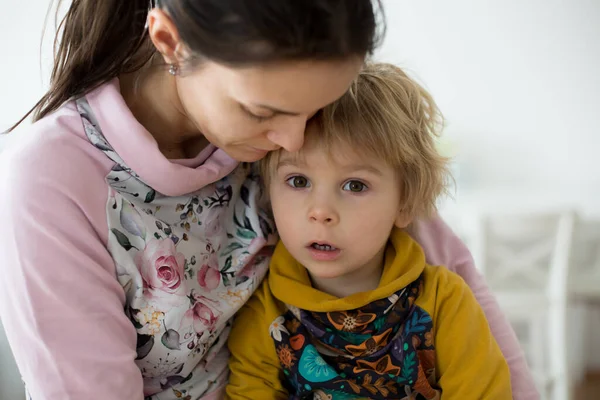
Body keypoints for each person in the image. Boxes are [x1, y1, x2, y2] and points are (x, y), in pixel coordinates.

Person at [0, 1, 537, 399]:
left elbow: (455, 273)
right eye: (263, 113)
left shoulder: (291, 95)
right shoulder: (53, 179)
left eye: (316, 109)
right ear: (170, 42)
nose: (296, 141)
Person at [225, 63, 512, 400]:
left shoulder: (445, 302)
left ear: (404, 204)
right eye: (298, 181)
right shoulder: (264, 314)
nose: (321, 212)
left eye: (355, 185)